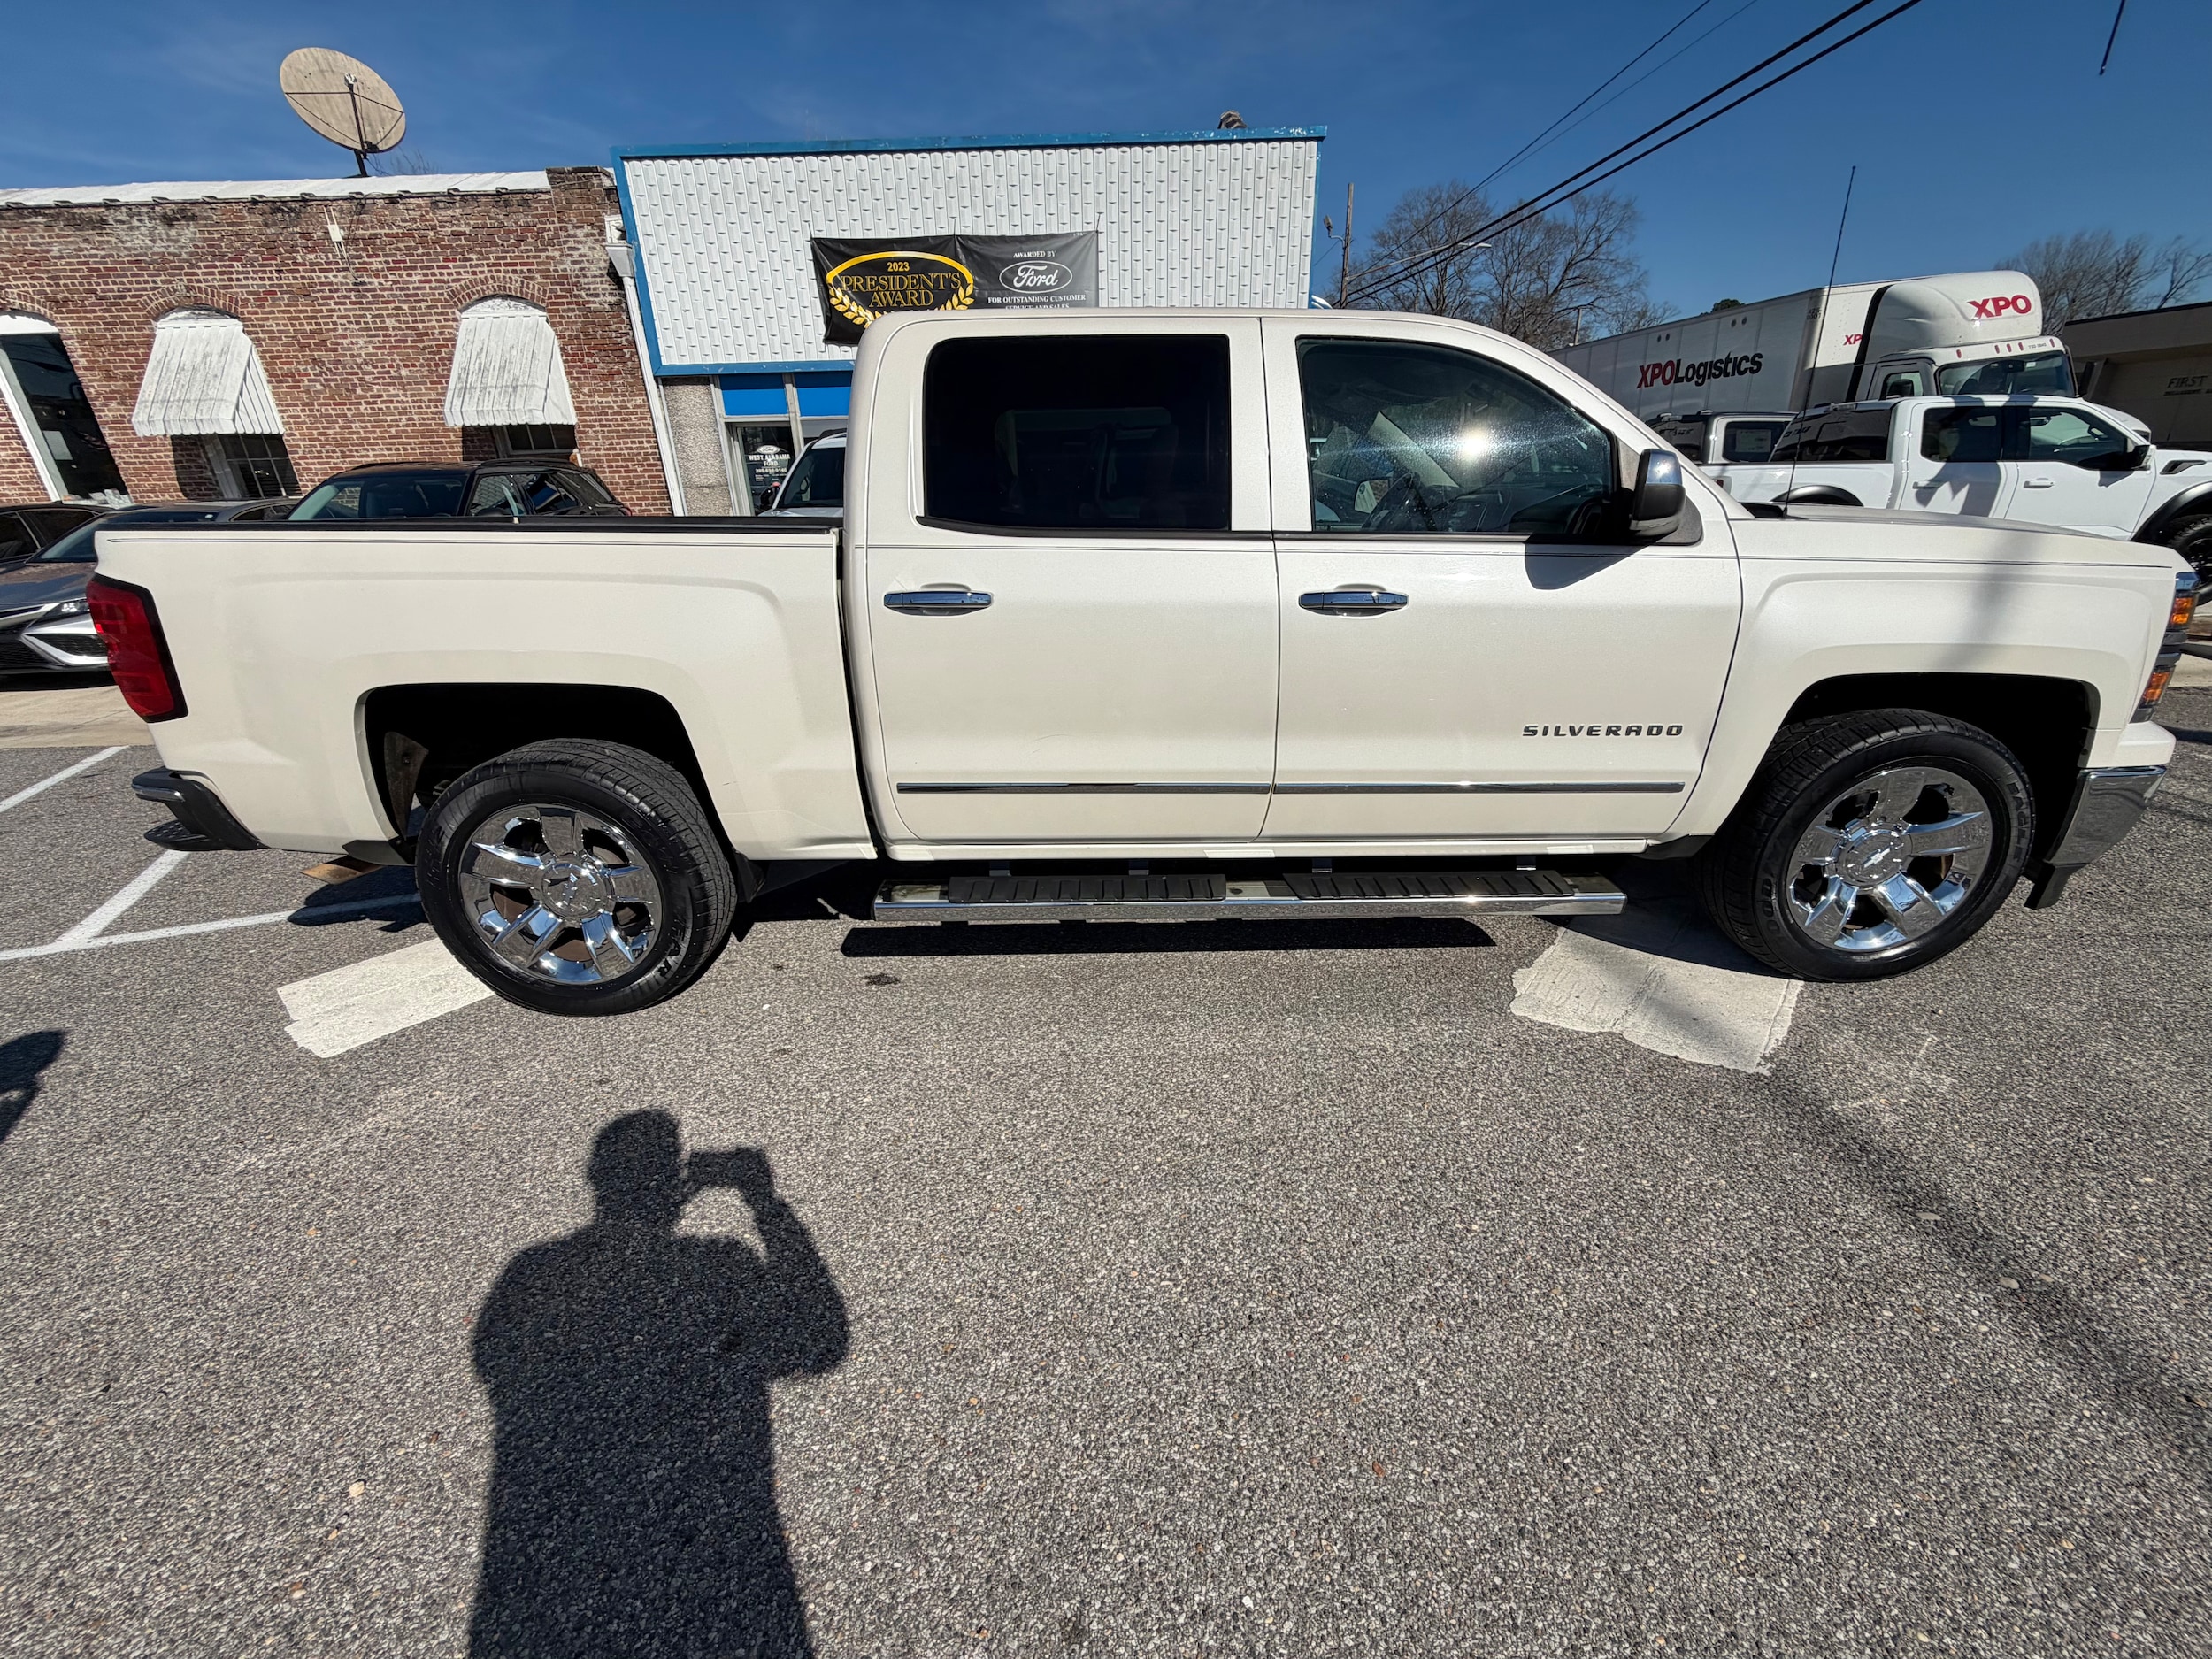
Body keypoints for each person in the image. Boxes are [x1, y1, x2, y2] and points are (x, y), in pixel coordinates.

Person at [469, 1111, 848, 1658]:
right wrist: (763, 1200)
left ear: (595, 1181)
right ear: (675, 1184)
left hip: (536, 1582)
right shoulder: (721, 1263)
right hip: (725, 1559)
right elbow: (820, 1340)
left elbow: (494, 1364)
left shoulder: (531, 1271)